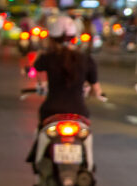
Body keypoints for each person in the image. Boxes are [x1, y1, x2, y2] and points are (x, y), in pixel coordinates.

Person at [27, 15, 105, 164]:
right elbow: (96, 89)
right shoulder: (86, 59)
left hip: (51, 110)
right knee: (86, 138)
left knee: (41, 132)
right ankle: (87, 165)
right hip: (79, 111)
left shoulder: (48, 57)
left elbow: (32, 71)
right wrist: (97, 94)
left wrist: (31, 69)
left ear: (52, 37)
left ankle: (37, 159)